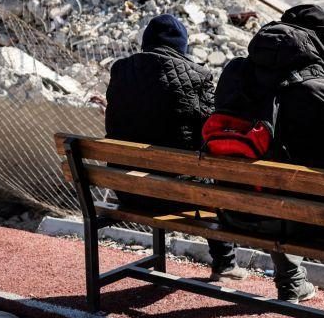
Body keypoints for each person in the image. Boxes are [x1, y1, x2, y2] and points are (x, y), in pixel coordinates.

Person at [212, 4, 324, 302]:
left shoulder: (234, 72)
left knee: (276, 180)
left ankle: (292, 279)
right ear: (320, 48)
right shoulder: (323, 93)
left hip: (229, 209)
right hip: (303, 224)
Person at [105, 14, 246, 280]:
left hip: (127, 188)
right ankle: (225, 264)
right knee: (211, 182)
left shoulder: (120, 70)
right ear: (182, 46)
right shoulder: (197, 76)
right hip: (177, 194)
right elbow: (209, 132)